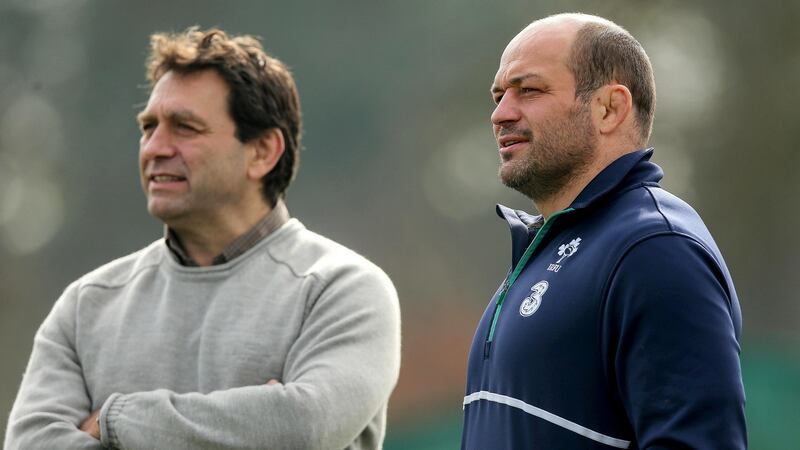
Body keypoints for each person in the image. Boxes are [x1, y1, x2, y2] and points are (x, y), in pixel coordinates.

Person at [5, 27, 401, 450]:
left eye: (185, 128)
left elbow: (305, 425)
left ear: (263, 151)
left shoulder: (342, 289)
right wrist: (249, 423)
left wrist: (116, 420)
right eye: (148, 127)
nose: (154, 147)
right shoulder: (87, 305)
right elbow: (30, 442)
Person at [461, 13, 746, 450]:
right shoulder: (552, 248)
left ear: (609, 108)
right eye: (498, 96)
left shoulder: (656, 249)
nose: (500, 114)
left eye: (528, 90)